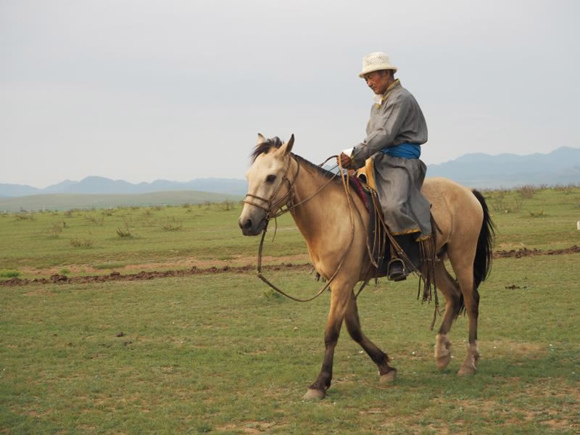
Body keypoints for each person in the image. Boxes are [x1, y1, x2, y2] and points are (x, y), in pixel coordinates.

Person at [339, 51, 432, 281]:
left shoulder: (400, 98)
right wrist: (355, 161)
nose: (369, 83)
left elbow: (385, 135)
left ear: (387, 73)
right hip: (378, 161)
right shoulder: (378, 105)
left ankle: (403, 257)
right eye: (366, 79)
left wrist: (356, 153)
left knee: (392, 205)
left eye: (372, 77)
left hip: (401, 163)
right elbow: (373, 138)